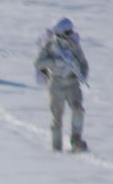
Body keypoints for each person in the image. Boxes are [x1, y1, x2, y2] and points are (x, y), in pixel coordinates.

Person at [34, 17, 90, 152]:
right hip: (56, 84)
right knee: (57, 117)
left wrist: (80, 73)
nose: (71, 34)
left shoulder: (74, 45)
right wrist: (54, 63)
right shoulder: (50, 45)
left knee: (78, 110)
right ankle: (56, 148)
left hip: (72, 83)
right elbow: (38, 63)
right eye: (68, 32)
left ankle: (76, 140)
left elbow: (83, 63)